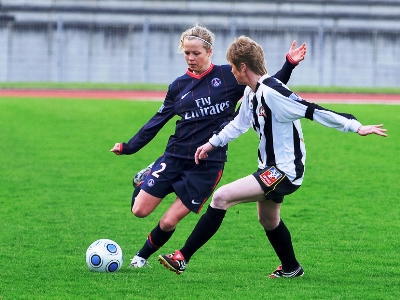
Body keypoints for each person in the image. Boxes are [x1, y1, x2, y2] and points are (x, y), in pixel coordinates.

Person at [158, 35, 387, 278]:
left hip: (284, 171)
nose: (232, 73)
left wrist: (355, 126)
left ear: (243, 67)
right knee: (268, 220)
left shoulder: (273, 92)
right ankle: (291, 268)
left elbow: (313, 110)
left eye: (234, 67)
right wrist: (211, 144)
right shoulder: (251, 92)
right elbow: (238, 124)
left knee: (221, 197)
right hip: (269, 168)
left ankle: (182, 257)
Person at [110, 24, 307, 268]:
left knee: (170, 221)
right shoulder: (178, 86)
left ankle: (140, 258)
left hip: (208, 164)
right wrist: (129, 147)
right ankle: (146, 177)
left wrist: (289, 64)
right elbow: (156, 121)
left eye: (196, 53)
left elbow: (267, 88)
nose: (191, 59)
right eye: (187, 53)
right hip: (174, 156)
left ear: (209, 52)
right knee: (139, 210)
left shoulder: (229, 76)